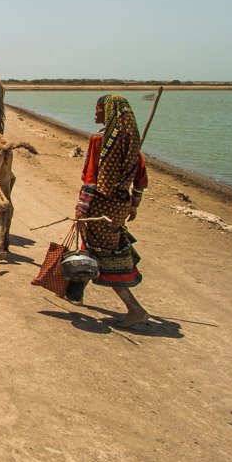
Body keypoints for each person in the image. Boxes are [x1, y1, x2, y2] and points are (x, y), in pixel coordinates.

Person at [67, 94, 150, 327]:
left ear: (110, 114)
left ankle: (135, 308)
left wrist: (81, 208)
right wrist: (134, 205)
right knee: (92, 248)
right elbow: (141, 182)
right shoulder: (132, 146)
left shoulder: (99, 142)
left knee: (106, 257)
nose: (96, 114)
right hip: (120, 207)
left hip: (100, 206)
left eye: (99, 110)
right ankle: (74, 293)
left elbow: (91, 180)